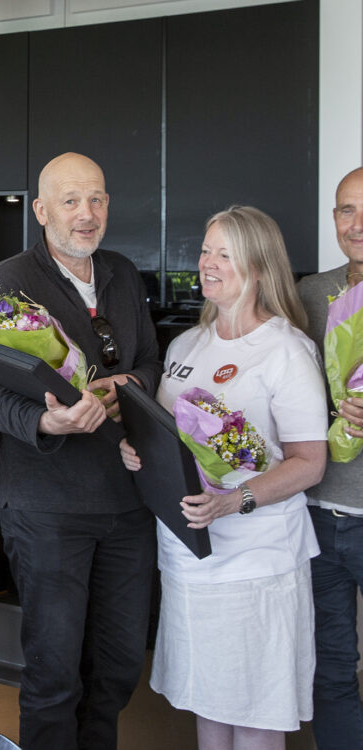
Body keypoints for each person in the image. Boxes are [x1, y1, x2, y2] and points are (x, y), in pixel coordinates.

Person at [0, 153, 161, 750]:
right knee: (54, 674)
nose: (87, 214)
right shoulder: (10, 280)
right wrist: (48, 421)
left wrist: (126, 387)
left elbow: (152, 363)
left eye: (98, 199)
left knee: (118, 665)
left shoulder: (123, 272)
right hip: (48, 508)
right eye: (72, 200)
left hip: (129, 504)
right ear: (42, 210)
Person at [122, 206, 325, 749]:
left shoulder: (286, 350)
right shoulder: (187, 346)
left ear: (258, 267)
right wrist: (137, 449)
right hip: (190, 557)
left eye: (224, 254)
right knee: (207, 699)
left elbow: (309, 462)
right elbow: (164, 436)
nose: (207, 264)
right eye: (206, 250)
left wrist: (234, 501)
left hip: (256, 562)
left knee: (255, 708)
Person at [296, 166, 363, 750]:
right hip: (318, 515)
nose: (357, 224)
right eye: (346, 210)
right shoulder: (311, 296)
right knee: (331, 667)